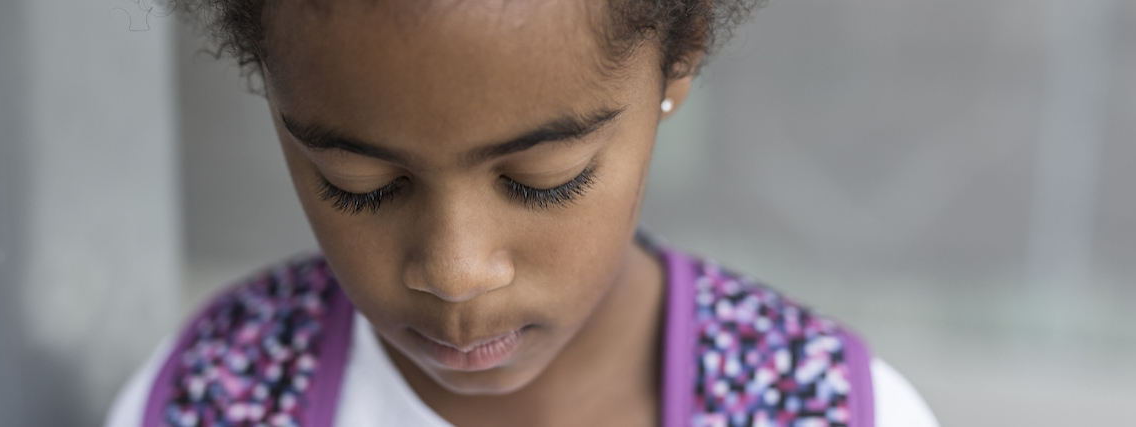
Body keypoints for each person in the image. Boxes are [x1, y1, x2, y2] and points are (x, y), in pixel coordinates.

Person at [107, 0, 939, 425]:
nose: (456, 272)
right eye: (357, 180)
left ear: (677, 56)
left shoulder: (829, 408)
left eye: (545, 178)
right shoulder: (209, 398)